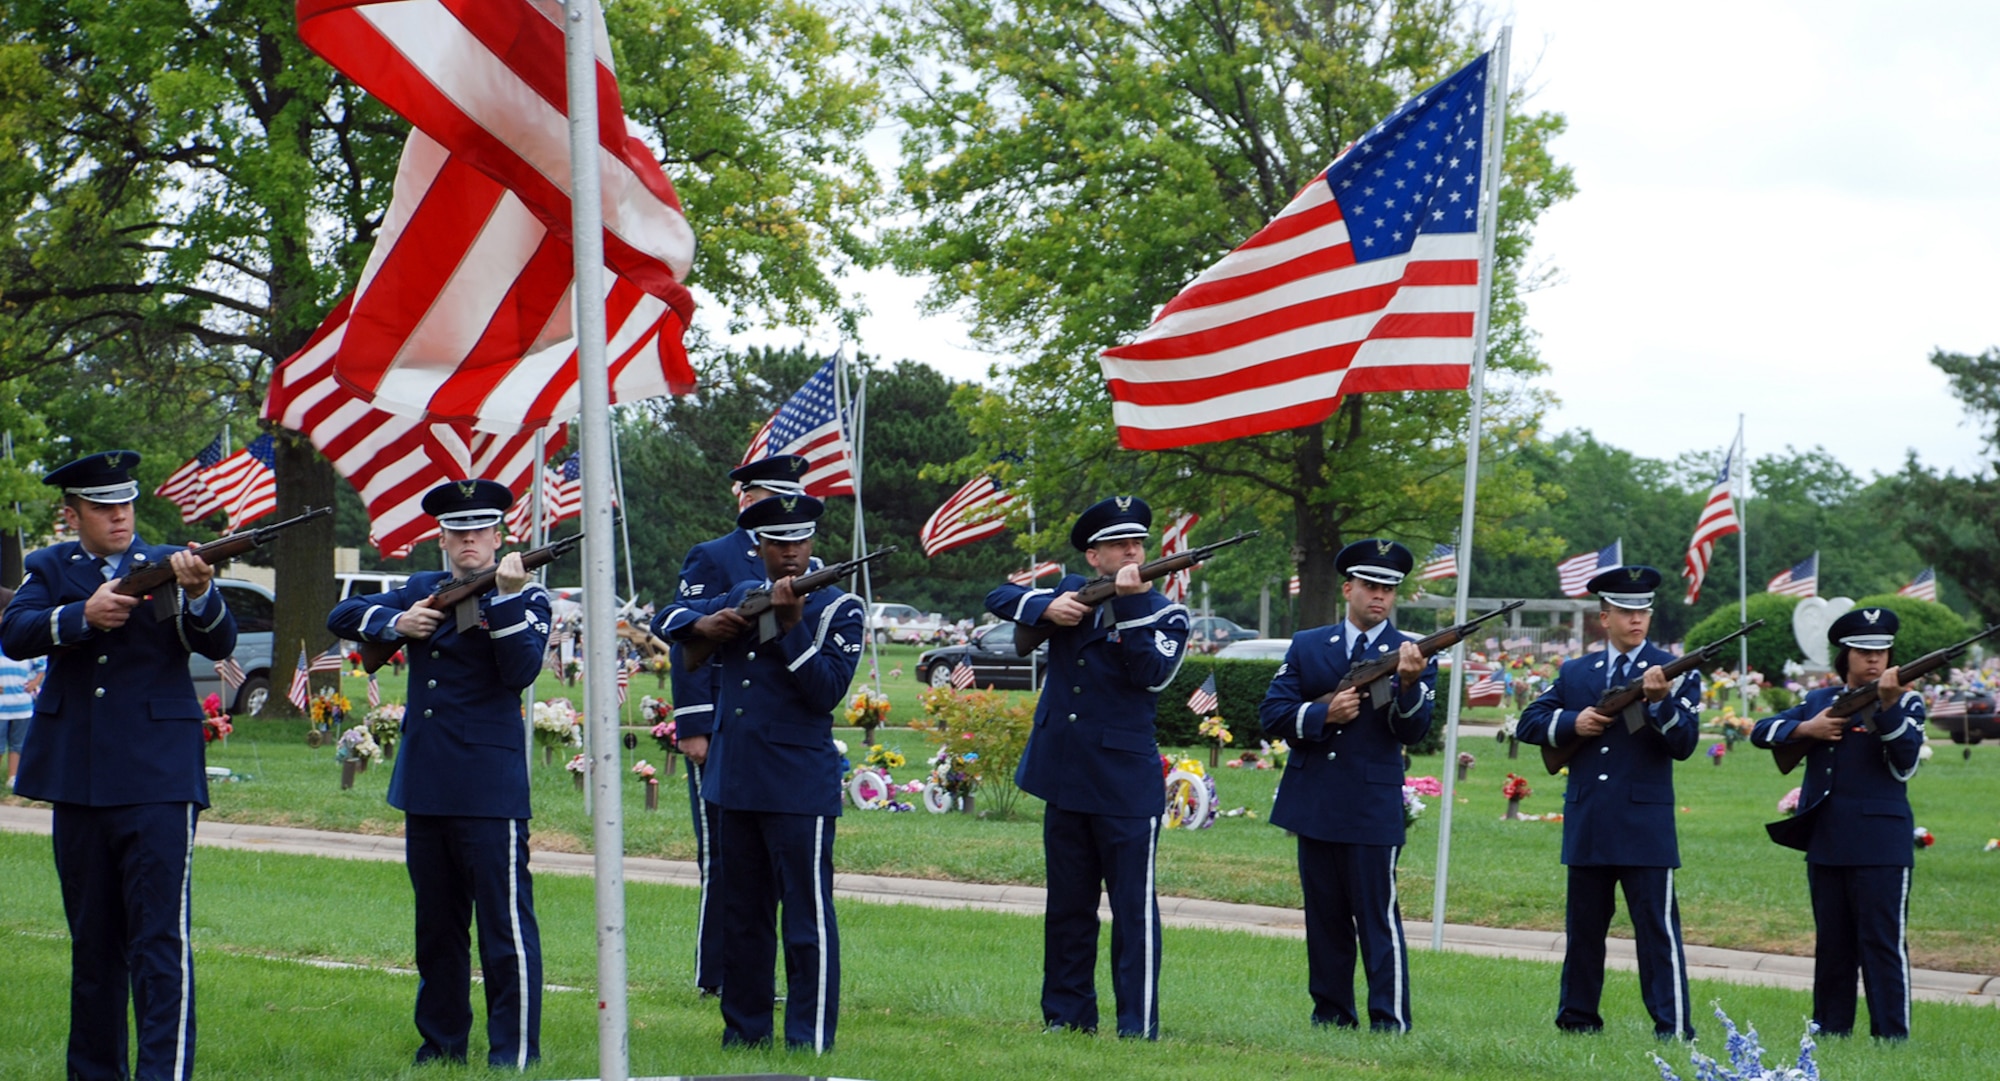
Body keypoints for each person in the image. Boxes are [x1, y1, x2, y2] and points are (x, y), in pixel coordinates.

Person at [1, 449, 238, 1081]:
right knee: (93, 944)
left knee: (159, 942)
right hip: (78, 777)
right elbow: (16, 632)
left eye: (126, 504)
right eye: (103, 507)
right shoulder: (50, 566)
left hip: (158, 777)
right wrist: (81, 615)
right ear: (73, 512)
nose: (119, 517)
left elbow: (219, 643)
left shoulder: (165, 564)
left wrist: (202, 590)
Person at [326, 479, 552, 1069]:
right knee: (438, 932)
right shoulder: (422, 590)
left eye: (480, 529)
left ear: (499, 535)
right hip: (426, 781)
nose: (469, 538)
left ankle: (514, 1052)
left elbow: (520, 672)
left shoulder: (527, 595)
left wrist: (501, 598)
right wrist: (395, 625)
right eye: (458, 530)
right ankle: (442, 1043)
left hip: (488, 785)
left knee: (504, 932)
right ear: (443, 538)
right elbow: (341, 612)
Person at [660, 493, 863, 1052]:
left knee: (806, 920)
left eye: (800, 540)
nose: (792, 552)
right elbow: (672, 623)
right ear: (761, 547)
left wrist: (792, 628)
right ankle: (744, 1033)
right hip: (734, 776)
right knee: (742, 917)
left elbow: (825, 692)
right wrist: (712, 623)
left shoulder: (839, 607)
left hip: (798, 783)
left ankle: (809, 1037)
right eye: (779, 542)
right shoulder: (738, 594)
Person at [985, 496, 1191, 1040]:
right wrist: (1047, 610)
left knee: (1133, 914)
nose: (1133, 552)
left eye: (1138, 543)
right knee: (1068, 910)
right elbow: (997, 595)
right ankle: (1066, 1017)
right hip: (1064, 775)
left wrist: (1128, 604)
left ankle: (1137, 1025)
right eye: (1120, 545)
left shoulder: (1164, 612)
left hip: (1124, 784)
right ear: (1094, 557)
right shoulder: (1069, 592)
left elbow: (1152, 673)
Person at [648, 453, 813, 996]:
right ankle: (717, 974)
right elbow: (688, 638)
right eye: (771, 497)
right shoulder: (716, 555)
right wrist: (695, 723)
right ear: (749, 496)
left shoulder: (803, 561)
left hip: (780, 728)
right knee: (722, 856)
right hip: (722, 722)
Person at [1258, 539, 1436, 1032]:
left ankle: (1390, 1019)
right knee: (1325, 919)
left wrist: (1407, 685)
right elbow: (1272, 714)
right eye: (1370, 586)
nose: (1379, 596)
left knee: (1377, 920)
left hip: (1370, 805)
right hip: (1315, 800)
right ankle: (1331, 1014)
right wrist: (1321, 714)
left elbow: (1415, 732)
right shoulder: (1309, 645)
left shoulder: (1412, 654)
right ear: (1348, 588)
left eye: (1389, 589)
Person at [1516, 565, 1699, 1041]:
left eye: (1643, 611)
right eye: (1624, 611)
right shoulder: (1578, 672)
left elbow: (1685, 743)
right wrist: (1574, 723)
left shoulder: (1672, 671)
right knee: (1583, 933)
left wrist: (1660, 704)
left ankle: (1673, 1027)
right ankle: (1577, 1020)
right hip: (1590, 818)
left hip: (1644, 824)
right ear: (1604, 617)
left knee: (1656, 934)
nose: (1635, 620)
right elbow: (1530, 721)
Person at [1751, 606, 1924, 1040]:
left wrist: (1886, 707)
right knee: (1832, 946)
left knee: (1882, 945)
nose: (1874, 660)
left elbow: (1904, 765)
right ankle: (1830, 1031)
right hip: (1827, 837)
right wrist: (1805, 730)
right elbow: (1761, 730)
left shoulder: (1906, 701)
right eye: (1863, 652)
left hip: (1881, 843)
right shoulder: (1819, 701)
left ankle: (1891, 1036)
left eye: (1882, 652)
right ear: (1845, 656)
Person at [0, 585, 48, 788]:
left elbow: (41, 664)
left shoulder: (23, 640)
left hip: (21, 704)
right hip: (1, 706)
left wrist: (36, 681)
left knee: (18, 743)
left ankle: (13, 777)